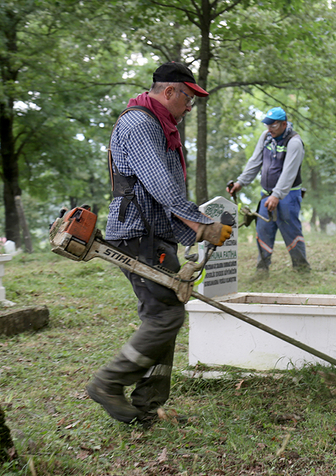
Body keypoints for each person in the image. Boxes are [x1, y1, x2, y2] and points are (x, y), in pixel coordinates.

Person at [86, 61, 232, 424]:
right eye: (188, 98)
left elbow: (161, 192)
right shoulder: (140, 124)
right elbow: (160, 185)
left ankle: (145, 408)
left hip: (153, 234)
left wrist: (193, 232)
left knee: (163, 314)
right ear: (169, 92)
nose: (189, 107)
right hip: (139, 235)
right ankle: (108, 382)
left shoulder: (157, 124)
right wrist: (202, 226)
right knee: (166, 315)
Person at [226, 107, 310, 273]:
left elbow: (289, 172)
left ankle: (301, 268)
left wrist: (277, 195)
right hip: (267, 195)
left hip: (288, 195)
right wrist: (241, 182)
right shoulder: (266, 137)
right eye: (267, 125)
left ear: (284, 124)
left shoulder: (294, 142)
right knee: (263, 230)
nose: (269, 128)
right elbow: (255, 161)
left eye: (274, 125)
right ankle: (262, 269)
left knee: (291, 230)